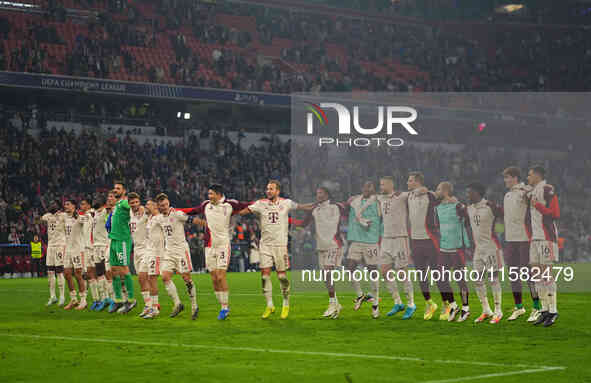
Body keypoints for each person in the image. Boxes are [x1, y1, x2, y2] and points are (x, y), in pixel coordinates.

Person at [239, 180, 307, 320]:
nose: (268, 191)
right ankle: (269, 305)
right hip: (265, 245)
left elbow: (301, 207)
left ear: (278, 191)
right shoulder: (260, 203)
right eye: (267, 189)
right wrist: (230, 209)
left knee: (282, 277)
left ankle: (286, 303)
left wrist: (315, 206)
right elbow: (243, 211)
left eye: (271, 189)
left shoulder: (286, 203)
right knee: (264, 276)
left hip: (280, 245)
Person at [181, 184, 250, 320]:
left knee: (220, 276)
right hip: (209, 246)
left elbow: (247, 205)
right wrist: (175, 211)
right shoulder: (206, 205)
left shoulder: (230, 204)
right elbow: (192, 210)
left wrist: (264, 203)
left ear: (218, 194)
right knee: (213, 278)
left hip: (223, 245)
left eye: (211, 194)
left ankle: (225, 308)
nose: (209, 196)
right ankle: (222, 305)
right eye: (209, 194)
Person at [298, 186, 345, 319]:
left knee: (327, 272)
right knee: (325, 276)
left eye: (321, 193)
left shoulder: (336, 207)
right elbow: (303, 224)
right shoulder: (314, 209)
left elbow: (349, 207)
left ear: (327, 194)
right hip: (321, 246)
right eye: (317, 193)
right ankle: (336, 303)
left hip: (334, 244)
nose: (318, 195)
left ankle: (332, 304)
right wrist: (287, 220)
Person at [502, 166, 541, 322]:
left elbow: (537, 194)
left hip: (525, 240)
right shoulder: (507, 195)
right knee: (513, 275)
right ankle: (519, 307)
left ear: (515, 178)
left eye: (507, 177)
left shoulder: (526, 190)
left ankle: (537, 307)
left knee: (529, 275)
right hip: (510, 241)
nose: (505, 180)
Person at [463, 183, 504, 324]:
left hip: (492, 248)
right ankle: (486, 310)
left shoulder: (490, 206)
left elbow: (505, 215)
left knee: (493, 279)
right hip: (478, 250)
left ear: (477, 192)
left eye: (469, 192)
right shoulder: (468, 209)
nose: (467, 195)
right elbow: (466, 223)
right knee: (478, 279)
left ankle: (498, 311)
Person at [377, 176, 417, 320]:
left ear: (390, 185)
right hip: (386, 239)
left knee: (402, 273)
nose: (380, 186)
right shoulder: (380, 198)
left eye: (382, 184)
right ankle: (398, 302)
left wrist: (420, 188)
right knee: (384, 271)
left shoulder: (402, 196)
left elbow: (418, 192)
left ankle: (411, 304)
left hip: (400, 238)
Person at [340, 181, 382, 319]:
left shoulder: (378, 201)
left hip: (371, 241)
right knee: (350, 267)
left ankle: (375, 304)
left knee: (372, 271)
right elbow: (344, 210)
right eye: (364, 186)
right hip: (356, 240)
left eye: (369, 186)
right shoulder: (355, 201)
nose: (366, 188)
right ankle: (360, 295)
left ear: (374, 189)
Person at [155, 193, 199, 320]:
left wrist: (204, 224)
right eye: (161, 206)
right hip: (169, 252)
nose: (164, 207)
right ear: (158, 206)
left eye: (165, 204)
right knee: (165, 277)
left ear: (168, 203)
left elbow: (192, 219)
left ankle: (194, 306)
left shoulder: (177, 214)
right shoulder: (159, 218)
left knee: (186, 279)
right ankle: (178, 304)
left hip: (181, 251)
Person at [526, 166, 560, 327]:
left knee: (546, 274)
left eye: (530, 175)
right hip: (535, 238)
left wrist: (538, 205)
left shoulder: (547, 189)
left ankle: (553, 310)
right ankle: (545, 310)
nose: (528, 177)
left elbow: (555, 214)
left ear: (538, 175)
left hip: (546, 237)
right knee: (537, 275)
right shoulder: (532, 191)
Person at [433, 181, 471, 322]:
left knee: (460, 279)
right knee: (440, 278)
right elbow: (437, 226)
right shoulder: (437, 208)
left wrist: (460, 204)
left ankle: (466, 308)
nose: (436, 192)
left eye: (438, 189)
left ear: (445, 191)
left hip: (457, 248)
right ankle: (454, 305)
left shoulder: (458, 206)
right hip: (444, 248)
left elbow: (468, 218)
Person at [407, 172, 440, 320]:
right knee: (421, 275)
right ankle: (429, 303)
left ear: (418, 182)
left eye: (410, 180)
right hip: (415, 240)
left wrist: (426, 190)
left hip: (430, 239)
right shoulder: (409, 196)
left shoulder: (429, 196)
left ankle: (448, 304)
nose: (407, 182)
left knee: (437, 274)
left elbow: (440, 195)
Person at [107, 181, 136, 314]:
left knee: (124, 269)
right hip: (113, 240)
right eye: (115, 188)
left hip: (123, 241)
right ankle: (118, 300)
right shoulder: (116, 205)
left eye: (118, 189)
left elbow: (133, 207)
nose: (115, 190)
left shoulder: (124, 202)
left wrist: (139, 208)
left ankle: (131, 299)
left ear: (123, 191)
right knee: (113, 270)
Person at [128, 192, 151, 316]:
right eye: (132, 202)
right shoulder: (128, 214)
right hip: (136, 249)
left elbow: (153, 209)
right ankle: (149, 305)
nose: (135, 204)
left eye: (137, 202)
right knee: (141, 280)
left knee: (143, 277)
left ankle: (151, 306)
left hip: (147, 249)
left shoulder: (145, 212)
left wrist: (146, 208)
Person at [141, 198, 164, 319]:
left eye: (148, 204)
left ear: (155, 206)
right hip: (148, 251)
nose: (146, 206)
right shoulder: (149, 218)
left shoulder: (160, 218)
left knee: (152, 279)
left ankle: (155, 308)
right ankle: (149, 306)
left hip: (156, 252)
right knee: (142, 276)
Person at [40, 200, 66, 306]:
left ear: (58, 206)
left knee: (59, 271)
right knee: (50, 272)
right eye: (50, 204)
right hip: (50, 246)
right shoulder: (48, 216)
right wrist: (46, 216)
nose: (51, 205)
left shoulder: (63, 215)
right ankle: (52, 296)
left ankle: (62, 296)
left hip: (60, 245)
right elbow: (40, 220)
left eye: (53, 204)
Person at [63, 199, 87, 310]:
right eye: (65, 205)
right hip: (68, 249)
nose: (66, 206)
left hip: (78, 249)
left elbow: (85, 220)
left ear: (73, 206)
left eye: (68, 204)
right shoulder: (64, 217)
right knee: (66, 274)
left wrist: (78, 215)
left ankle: (83, 300)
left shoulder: (78, 217)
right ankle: (73, 299)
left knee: (78, 275)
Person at [92, 194, 114, 311]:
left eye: (96, 199)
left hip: (104, 245)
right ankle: (104, 298)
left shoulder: (106, 211)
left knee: (107, 273)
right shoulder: (94, 213)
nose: (94, 201)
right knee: (99, 273)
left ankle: (113, 299)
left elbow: (113, 207)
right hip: (95, 246)